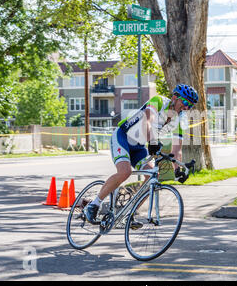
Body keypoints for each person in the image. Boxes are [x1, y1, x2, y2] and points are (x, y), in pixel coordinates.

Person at [84, 84, 199, 226]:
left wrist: (177, 169)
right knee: (125, 172)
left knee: (153, 175)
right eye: (186, 103)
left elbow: (177, 149)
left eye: (190, 106)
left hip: (139, 147)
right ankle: (94, 204)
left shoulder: (180, 119)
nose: (187, 108)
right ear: (175, 97)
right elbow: (147, 121)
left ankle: (130, 215)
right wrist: (153, 141)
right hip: (123, 137)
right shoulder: (159, 102)